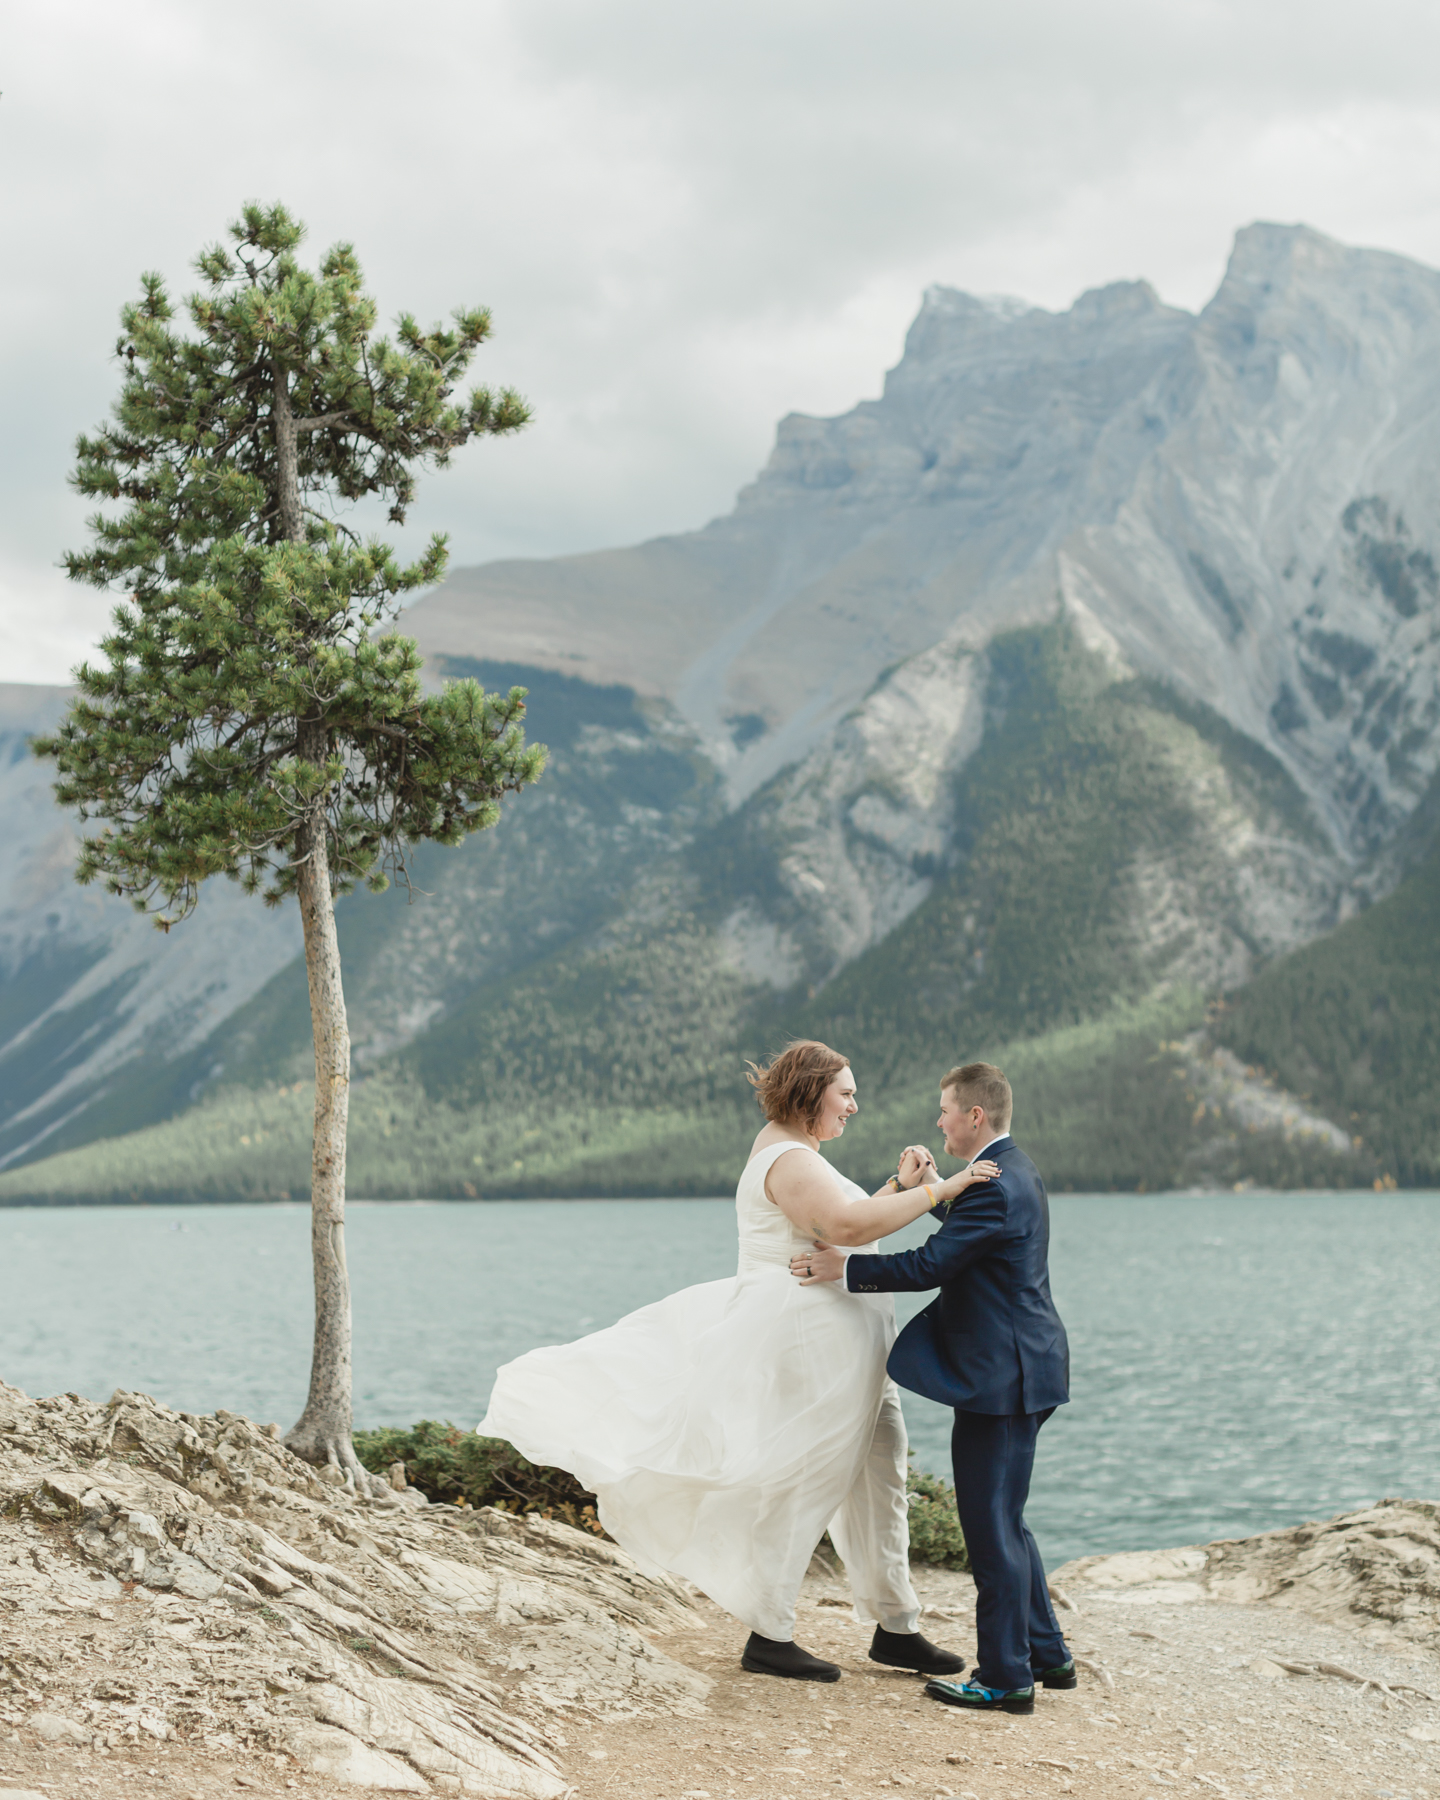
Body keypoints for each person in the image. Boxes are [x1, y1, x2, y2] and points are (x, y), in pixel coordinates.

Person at [478, 1040, 999, 1682]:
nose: (854, 1106)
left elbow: (840, 1220)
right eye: (845, 1094)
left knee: (879, 1477)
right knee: (809, 1479)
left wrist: (898, 1185)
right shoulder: (788, 1158)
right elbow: (844, 1228)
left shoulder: (795, 1152)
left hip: (848, 1353)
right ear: (811, 1093)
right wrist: (941, 1189)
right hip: (808, 1348)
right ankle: (770, 1632)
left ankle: (896, 1626)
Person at [792, 1061, 1072, 1714]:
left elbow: (933, 1265)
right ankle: (1047, 1653)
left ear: (975, 1116)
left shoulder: (996, 1185)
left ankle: (1005, 1677)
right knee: (1008, 1520)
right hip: (1025, 1369)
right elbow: (966, 1244)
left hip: (1002, 1380)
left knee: (990, 1530)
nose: (938, 1119)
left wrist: (846, 1267)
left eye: (945, 1108)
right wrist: (934, 1189)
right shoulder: (1012, 1170)